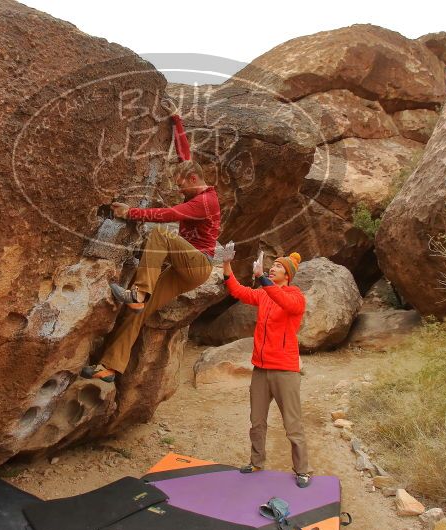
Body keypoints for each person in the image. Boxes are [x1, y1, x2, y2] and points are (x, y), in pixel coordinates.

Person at [81, 99, 221, 383]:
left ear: (193, 179)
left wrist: (131, 212)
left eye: (181, 184)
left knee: (161, 233)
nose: (178, 188)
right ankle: (110, 367)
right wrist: (177, 120)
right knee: (138, 311)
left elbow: (168, 214)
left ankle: (139, 292)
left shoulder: (205, 201)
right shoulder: (195, 186)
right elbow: (185, 156)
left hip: (198, 265)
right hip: (183, 266)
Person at [222, 248, 312, 488]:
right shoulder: (264, 295)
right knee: (257, 421)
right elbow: (239, 291)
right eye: (272, 266)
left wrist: (263, 278)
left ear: (288, 275)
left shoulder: (295, 296)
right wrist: (226, 265)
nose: (274, 268)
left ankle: (302, 470)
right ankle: (257, 461)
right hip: (261, 369)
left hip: (285, 371)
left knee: (292, 424)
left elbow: (282, 301)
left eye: (278, 267)